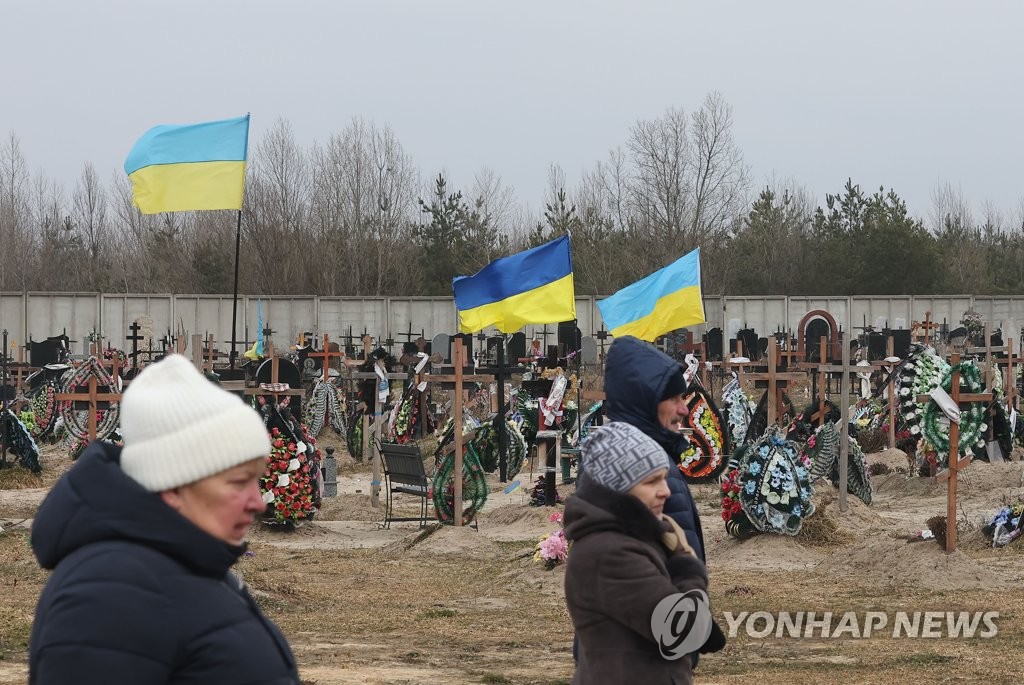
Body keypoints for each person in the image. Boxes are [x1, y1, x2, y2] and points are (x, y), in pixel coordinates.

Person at [30, 354, 300, 685]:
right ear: (173, 485)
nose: (258, 502)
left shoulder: (182, 565)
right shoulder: (109, 594)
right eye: (238, 482)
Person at [564, 421, 724, 684]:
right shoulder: (610, 554)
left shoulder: (628, 539)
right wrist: (684, 560)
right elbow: (685, 631)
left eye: (663, 477)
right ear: (617, 489)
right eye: (651, 482)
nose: (666, 491)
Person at [603, 335, 705, 558]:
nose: (684, 410)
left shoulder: (631, 457)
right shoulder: (641, 467)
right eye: (674, 399)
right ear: (646, 403)